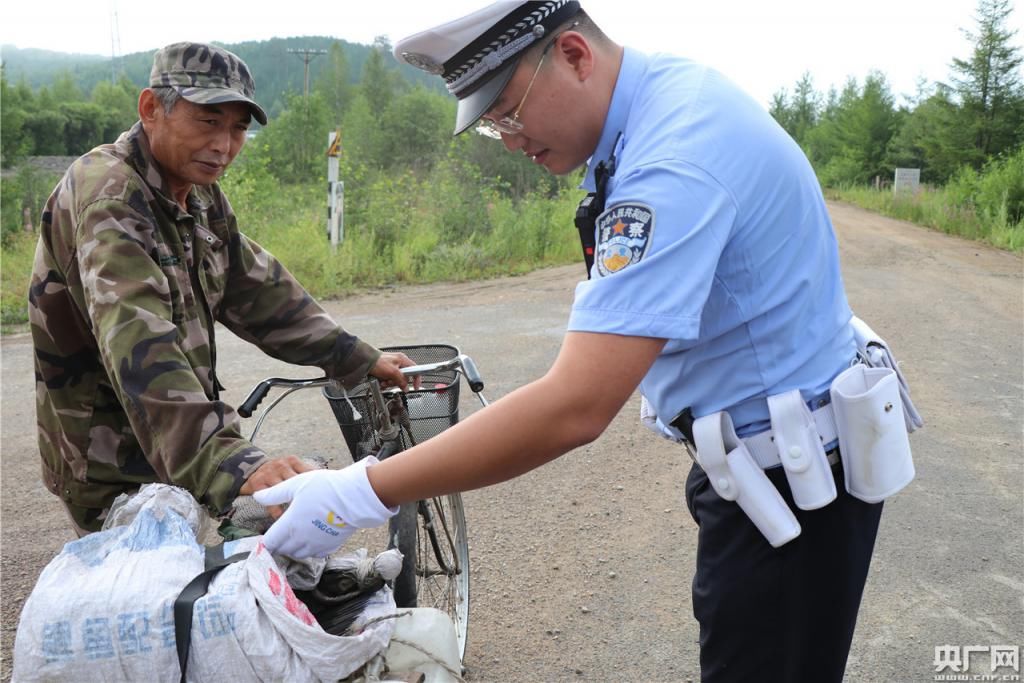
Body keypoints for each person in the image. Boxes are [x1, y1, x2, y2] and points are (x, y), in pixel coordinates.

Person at [254, 3, 918, 681]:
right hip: (775, 469)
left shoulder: (672, 161)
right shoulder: (661, 104)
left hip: (791, 491)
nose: (510, 140)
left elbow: (576, 404)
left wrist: (359, 490)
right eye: (491, 127)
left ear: (574, 55)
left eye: (509, 111)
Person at [28, 41, 414, 537]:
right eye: (208, 121)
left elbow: (255, 286)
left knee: (208, 587)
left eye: (238, 128)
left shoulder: (196, 190)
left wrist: (355, 357)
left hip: (176, 447)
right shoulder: (111, 198)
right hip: (113, 460)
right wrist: (233, 463)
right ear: (151, 109)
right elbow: (140, 346)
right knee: (150, 605)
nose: (224, 145)